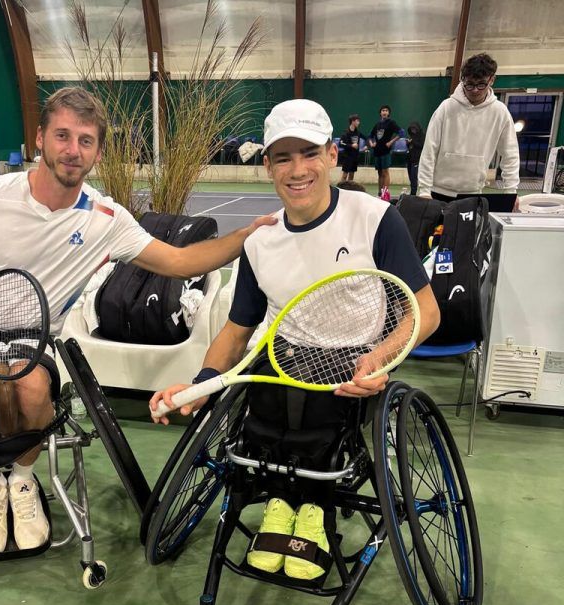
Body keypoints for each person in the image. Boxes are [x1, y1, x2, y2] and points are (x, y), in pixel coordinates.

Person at [0, 86, 275, 556]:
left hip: (36, 340)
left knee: (30, 388)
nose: (73, 150)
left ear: (97, 150)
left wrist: (247, 235)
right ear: (41, 138)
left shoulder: (106, 218)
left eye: (86, 140)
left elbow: (180, 261)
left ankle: (26, 483)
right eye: (63, 135)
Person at [150, 98, 439, 580]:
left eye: (308, 153)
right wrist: (198, 385)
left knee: (317, 414)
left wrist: (381, 359)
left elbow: (424, 312)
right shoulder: (260, 242)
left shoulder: (375, 219)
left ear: (331, 154)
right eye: (283, 157)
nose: (297, 169)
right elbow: (237, 331)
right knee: (262, 403)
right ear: (268, 166)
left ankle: (315, 512)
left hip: (354, 361)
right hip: (282, 357)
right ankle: (281, 504)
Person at [417, 53, 519, 205]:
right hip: (437, 192)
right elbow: (429, 150)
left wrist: (511, 192)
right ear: (462, 79)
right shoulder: (446, 108)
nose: (475, 90)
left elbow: (510, 154)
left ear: (492, 79)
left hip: (472, 194)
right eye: (470, 84)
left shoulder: (500, 112)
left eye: (481, 84)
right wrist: (424, 190)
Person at [367, 105, 401, 195]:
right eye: (383, 110)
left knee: (385, 172)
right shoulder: (377, 124)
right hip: (377, 151)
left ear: (388, 113)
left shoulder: (391, 123)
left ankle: (385, 193)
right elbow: (370, 136)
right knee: (379, 172)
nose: (384, 112)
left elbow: (401, 132)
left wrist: (391, 142)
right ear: (380, 113)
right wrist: (371, 143)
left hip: (386, 151)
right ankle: (380, 192)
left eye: (386, 110)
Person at [338, 114, 364, 182]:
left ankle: (349, 190)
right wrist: (351, 145)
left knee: (352, 175)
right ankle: (341, 189)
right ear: (352, 122)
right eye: (357, 121)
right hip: (347, 157)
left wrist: (366, 146)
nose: (359, 122)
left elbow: (366, 138)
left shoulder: (358, 133)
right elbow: (341, 144)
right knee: (345, 175)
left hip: (355, 157)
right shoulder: (345, 133)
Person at [405, 121, 425, 197]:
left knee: (414, 177)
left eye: (414, 129)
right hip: (409, 159)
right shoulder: (411, 136)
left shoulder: (422, 136)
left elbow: (422, 146)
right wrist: (408, 143)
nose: (413, 130)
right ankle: (412, 192)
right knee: (410, 177)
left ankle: (413, 193)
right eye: (412, 129)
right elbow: (410, 147)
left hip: (417, 159)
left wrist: (413, 142)